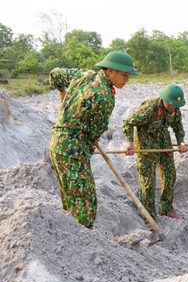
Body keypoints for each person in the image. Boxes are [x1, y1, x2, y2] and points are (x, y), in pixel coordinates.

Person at [49, 51, 138, 229]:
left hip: (57, 144)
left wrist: (62, 93)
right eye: (124, 74)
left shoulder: (83, 74)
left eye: (128, 75)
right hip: (74, 151)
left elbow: (54, 74)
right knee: (85, 203)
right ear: (110, 71)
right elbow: (94, 133)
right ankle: (82, 239)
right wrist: (88, 143)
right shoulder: (105, 97)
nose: (127, 79)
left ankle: (69, 234)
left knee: (70, 197)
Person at [122, 84, 187, 224]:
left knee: (170, 175)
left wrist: (181, 142)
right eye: (171, 104)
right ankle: (149, 216)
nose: (173, 108)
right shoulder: (149, 108)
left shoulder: (175, 109)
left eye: (176, 105)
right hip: (146, 147)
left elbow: (177, 125)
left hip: (164, 143)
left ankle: (166, 208)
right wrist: (130, 143)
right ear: (164, 99)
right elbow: (128, 123)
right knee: (148, 181)